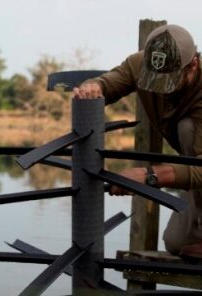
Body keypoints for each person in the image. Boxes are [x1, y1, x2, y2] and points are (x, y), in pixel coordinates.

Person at [73, 24, 202, 257]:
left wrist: (148, 176)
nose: (162, 92)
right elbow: (108, 82)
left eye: (170, 82)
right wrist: (93, 87)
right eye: (156, 81)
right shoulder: (138, 63)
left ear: (193, 64)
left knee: (187, 129)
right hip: (196, 175)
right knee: (175, 242)